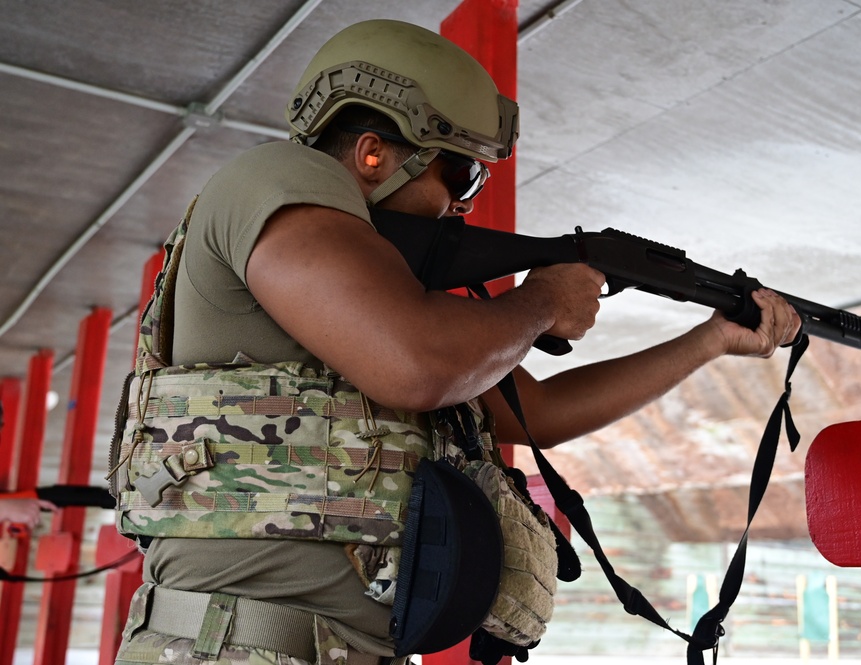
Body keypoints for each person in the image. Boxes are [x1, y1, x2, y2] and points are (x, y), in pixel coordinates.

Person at [110, 19, 799, 665]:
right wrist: (540, 301)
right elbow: (418, 368)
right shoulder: (276, 180)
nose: (462, 206)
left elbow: (544, 413)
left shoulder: (394, 305)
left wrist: (710, 340)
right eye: (460, 174)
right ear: (374, 153)